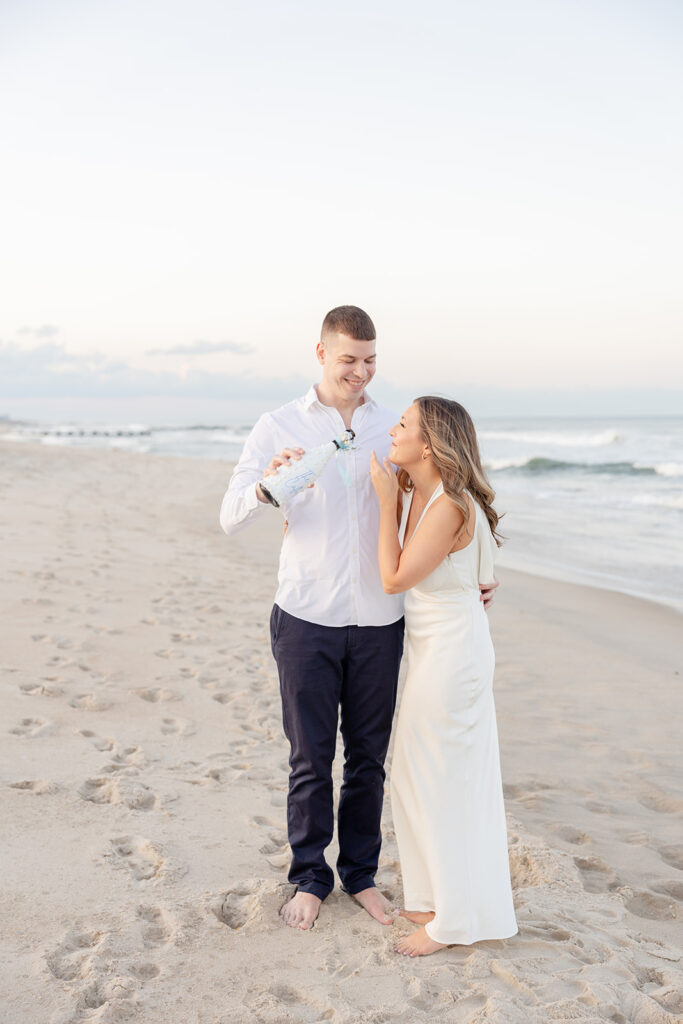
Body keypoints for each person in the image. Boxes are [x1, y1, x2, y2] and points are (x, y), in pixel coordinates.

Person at [220, 309, 498, 932]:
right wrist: (273, 485)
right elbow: (230, 515)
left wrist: (478, 568)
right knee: (311, 758)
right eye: (349, 359)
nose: (361, 372)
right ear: (320, 353)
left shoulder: (394, 427)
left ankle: (362, 876)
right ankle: (309, 877)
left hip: (381, 619)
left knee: (369, 758)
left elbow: (448, 496)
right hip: (305, 614)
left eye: (370, 360)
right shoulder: (277, 425)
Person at [369, 396, 517, 957]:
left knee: (439, 778)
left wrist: (386, 505)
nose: (393, 430)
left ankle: (451, 921)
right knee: (412, 772)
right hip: (436, 650)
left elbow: (394, 579)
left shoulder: (450, 505)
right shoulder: (423, 492)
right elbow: (473, 572)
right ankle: (430, 895)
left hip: (455, 655)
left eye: (403, 425)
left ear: (429, 445)